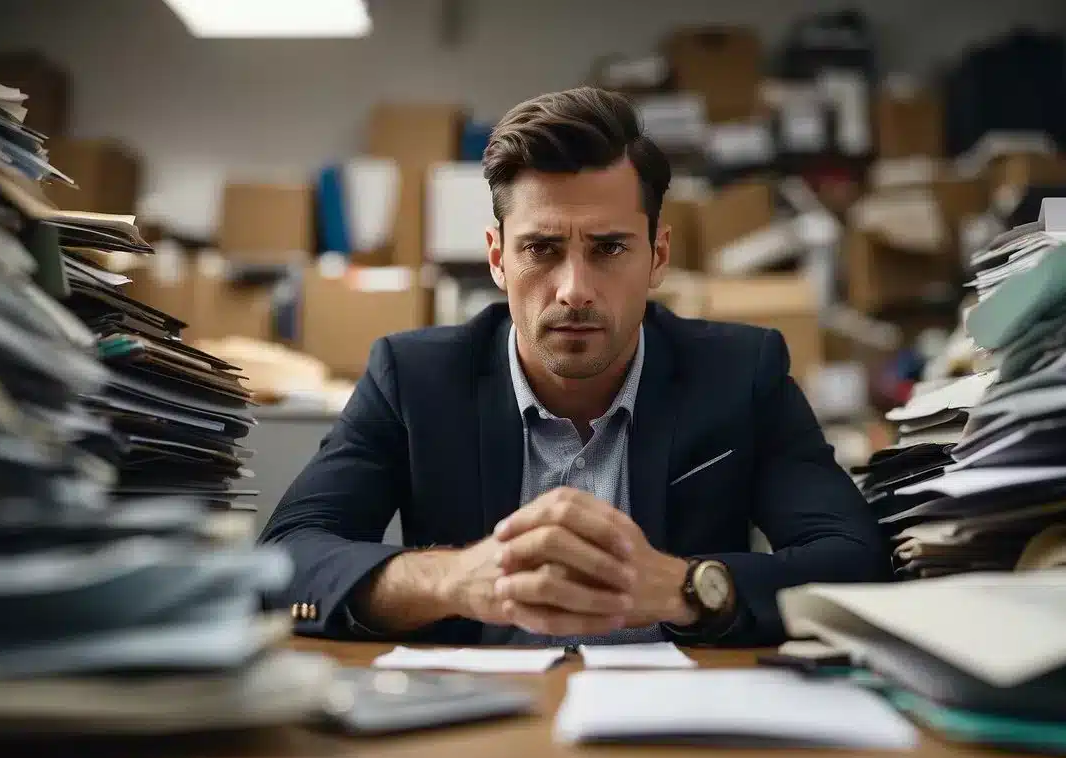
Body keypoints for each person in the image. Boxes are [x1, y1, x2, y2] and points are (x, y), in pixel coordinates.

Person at [261, 87, 887, 647]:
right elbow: (282, 562)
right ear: (498, 258)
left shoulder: (741, 372)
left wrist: (688, 587)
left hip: (680, 741)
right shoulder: (413, 377)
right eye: (541, 249)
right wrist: (453, 578)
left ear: (657, 254)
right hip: (474, 737)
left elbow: (857, 561)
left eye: (609, 248)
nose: (573, 290)